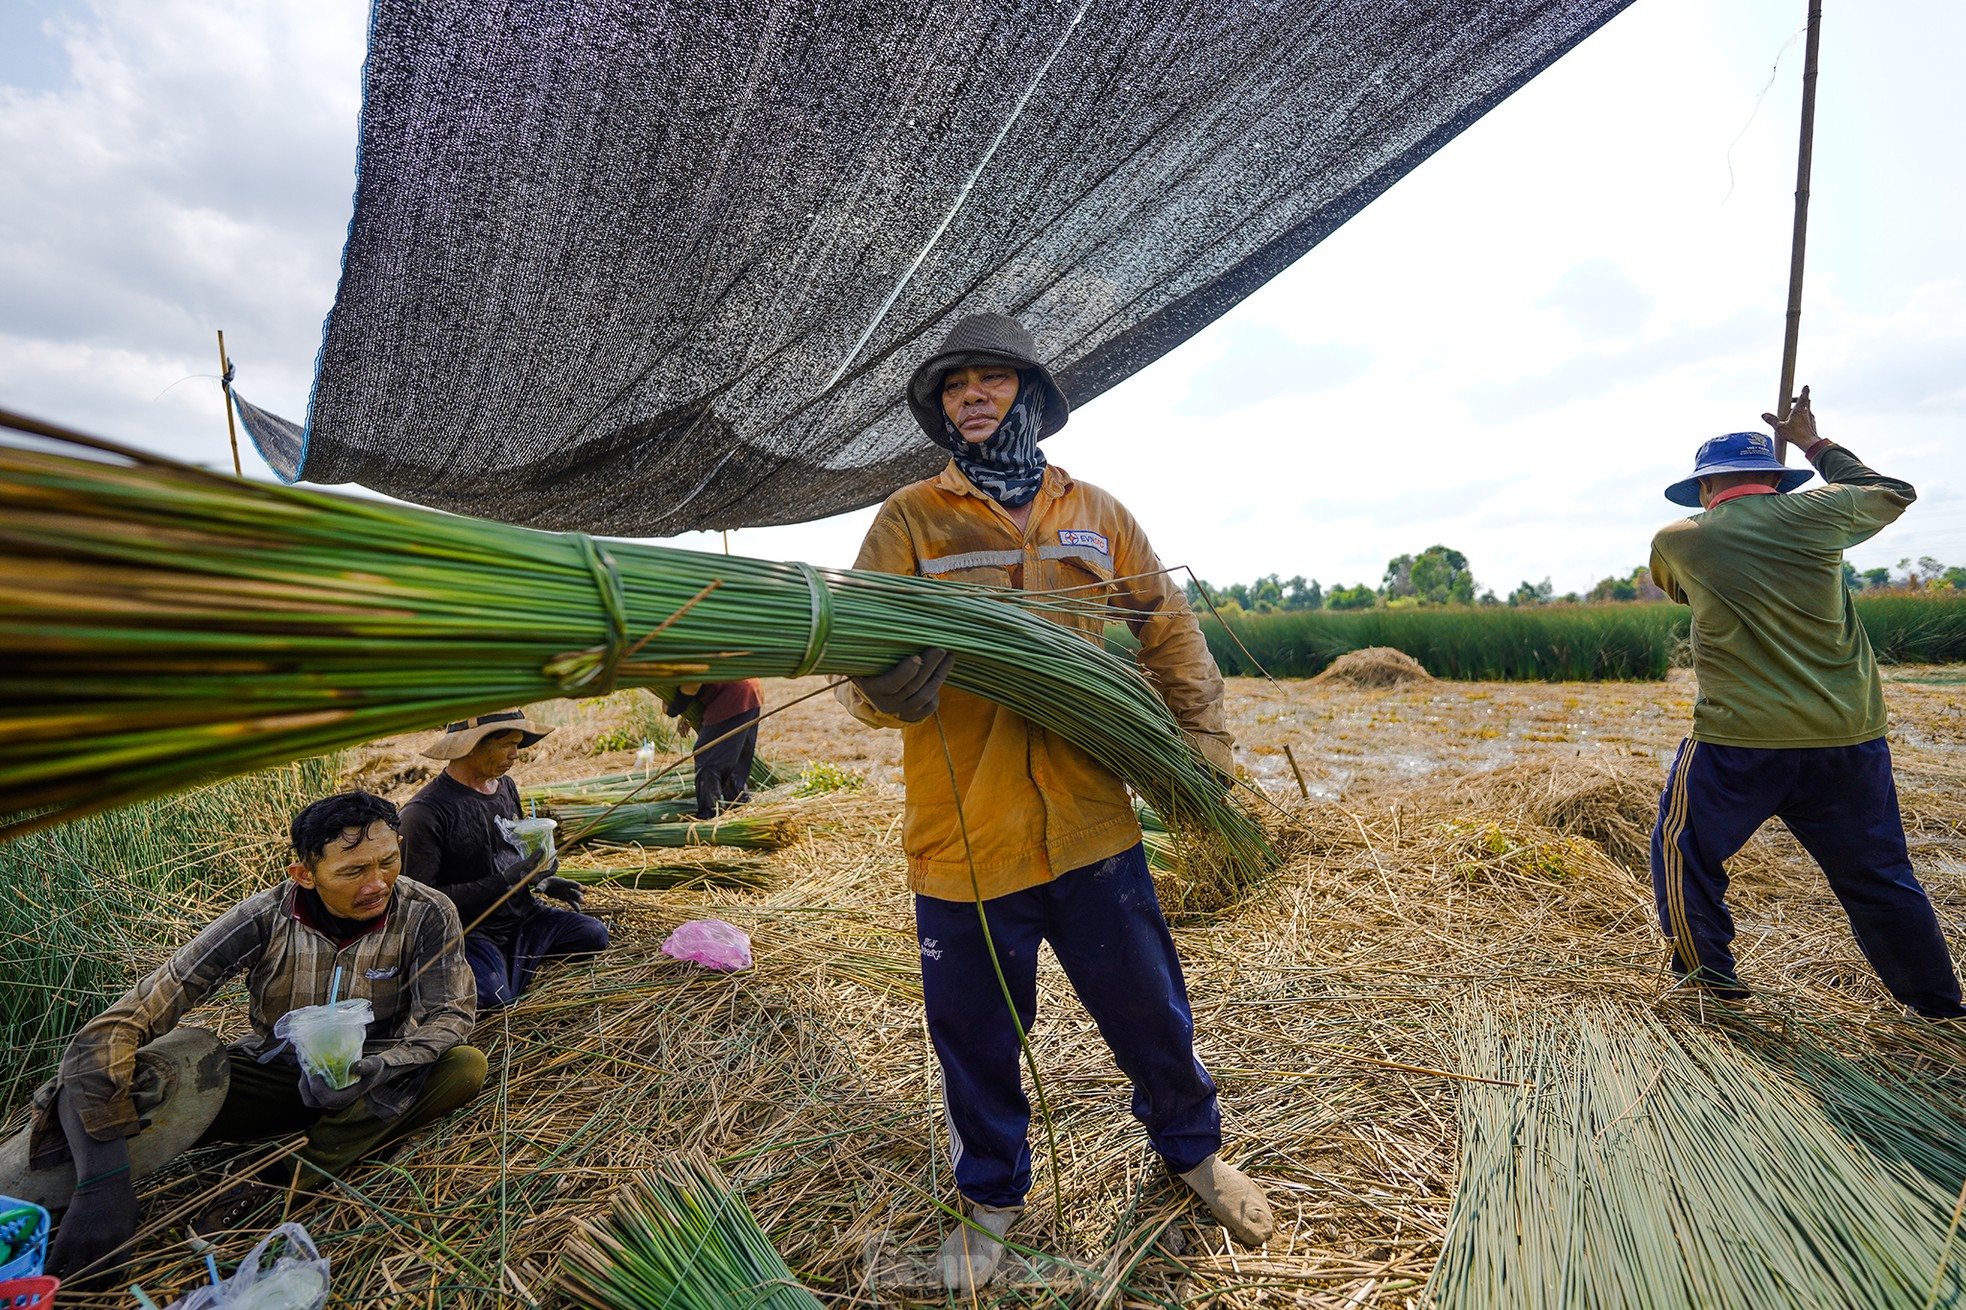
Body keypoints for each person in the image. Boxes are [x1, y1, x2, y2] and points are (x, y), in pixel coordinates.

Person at [838, 312, 1273, 1291]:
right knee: (979, 1038)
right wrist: (882, 688)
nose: (973, 397)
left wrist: (1201, 748)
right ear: (943, 411)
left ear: (1028, 396)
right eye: (956, 388)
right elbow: (855, 665)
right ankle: (989, 1195)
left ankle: (1192, 1151)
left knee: (1149, 1009)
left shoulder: (1097, 512)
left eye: (990, 381)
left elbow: (1167, 630)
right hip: (966, 831)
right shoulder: (912, 517)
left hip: (1090, 821)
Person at [4, 791, 485, 1287]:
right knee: (137, 1076)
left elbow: (448, 1015)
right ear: (304, 874)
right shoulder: (266, 916)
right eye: (353, 871)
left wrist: (377, 1068)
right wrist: (103, 1182)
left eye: (388, 861)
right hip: (278, 1074)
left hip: (374, 1083)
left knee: (463, 1066)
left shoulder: (427, 911)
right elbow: (123, 1021)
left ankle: (280, 1181)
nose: (378, 882)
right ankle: (75, 1195)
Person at [1647, 386, 1964, 1018]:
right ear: (1776, 478)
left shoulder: (1680, 540)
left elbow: (1681, 596)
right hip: (1845, 735)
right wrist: (1815, 442)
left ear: (1708, 489)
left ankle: (1708, 977)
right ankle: (1937, 1004)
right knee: (1878, 875)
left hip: (1741, 741)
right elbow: (1893, 492)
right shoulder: (1821, 516)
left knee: (1682, 847)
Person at [399, 709, 610, 1009]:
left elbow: (512, 848)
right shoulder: (426, 813)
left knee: (594, 935)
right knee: (494, 998)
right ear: (471, 745)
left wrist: (542, 880)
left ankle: (505, 967)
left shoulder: (505, 787)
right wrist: (503, 882)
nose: (516, 755)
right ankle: (496, 973)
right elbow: (422, 901)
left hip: (521, 917)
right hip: (471, 929)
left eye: (518, 744)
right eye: (507, 744)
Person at [664, 680, 762, 818]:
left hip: (732, 695)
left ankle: (709, 814)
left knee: (708, 759)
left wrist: (673, 708)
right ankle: (739, 804)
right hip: (749, 687)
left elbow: (693, 684)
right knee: (730, 756)